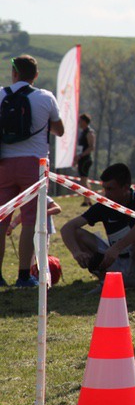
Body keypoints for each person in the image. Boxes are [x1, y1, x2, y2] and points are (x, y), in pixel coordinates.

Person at [0, 55, 64, 288]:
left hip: (3, 163)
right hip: (35, 165)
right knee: (30, 222)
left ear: (14, 73)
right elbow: (59, 130)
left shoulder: (0, 95)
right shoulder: (45, 97)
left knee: (1, 220)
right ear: (35, 75)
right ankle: (24, 275)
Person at [60, 162, 135, 293]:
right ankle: (105, 282)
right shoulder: (104, 205)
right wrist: (76, 252)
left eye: (110, 189)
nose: (106, 194)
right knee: (77, 233)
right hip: (117, 265)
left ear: (125, 187)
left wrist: (117, 247)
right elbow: (67, 228)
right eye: (104, 189)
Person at [73, 113, 96, 206]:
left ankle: (86, 200)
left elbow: (91, 147)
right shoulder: (83, 132)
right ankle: (88, 199)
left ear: (85, 122)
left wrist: (81, 155)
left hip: (86, 159)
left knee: (83, 180)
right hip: (82, 158)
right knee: (84, 180)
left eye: (80, 121)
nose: (79, 122)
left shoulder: (89, 132)